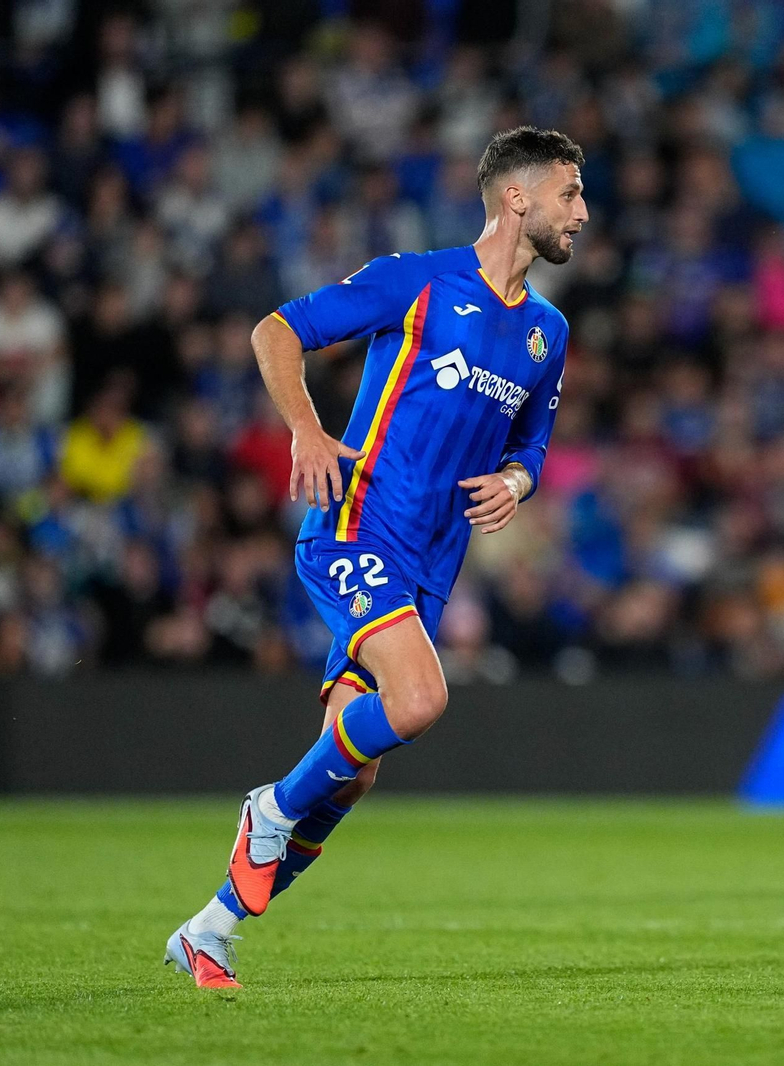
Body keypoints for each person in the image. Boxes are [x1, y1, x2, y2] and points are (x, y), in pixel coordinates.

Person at [164, 126, 587, 988]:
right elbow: (276, 331)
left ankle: (209, 931)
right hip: (356, 529)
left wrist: (519, 481)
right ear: (518, 198)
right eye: (570, 194)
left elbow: (533, 443)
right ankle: (269, 807)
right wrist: (308, 431)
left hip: (432, 566)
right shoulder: (419, 281)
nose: (582, 212)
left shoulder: (547, 332)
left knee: (350, 779)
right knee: (422, 698)